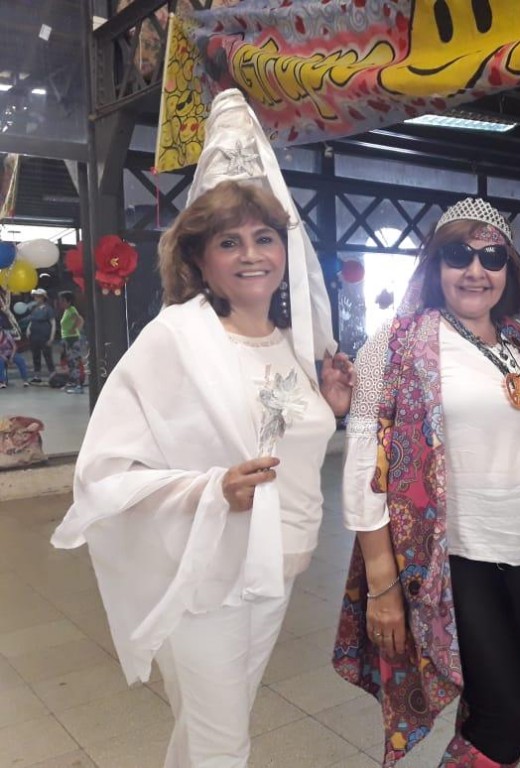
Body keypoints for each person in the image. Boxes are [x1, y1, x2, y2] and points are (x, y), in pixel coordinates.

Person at [51, 90, 353, 767]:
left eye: (264, 237)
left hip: (281, 565)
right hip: (209, 571)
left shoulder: (293, 343)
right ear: (200, 258)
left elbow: (276, 441)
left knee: (212, 726)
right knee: (223, 743)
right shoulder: (177, 339)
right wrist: (212, 489)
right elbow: (103, 472)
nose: (252, 255)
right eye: (229, 241)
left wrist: (328, 409)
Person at [334, 198, 520, 768]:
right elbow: (364, 465)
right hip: (452, 559)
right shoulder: (394, 343)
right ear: (434, 265)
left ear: (509, 270)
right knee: (512, 713)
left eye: (492, 257)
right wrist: (383, 583)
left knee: (488, 707)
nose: (475, 270)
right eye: (458, 254)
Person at [57, 290, 86, 394]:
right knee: (70, 362)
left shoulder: (72, 310)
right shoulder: (67, 311)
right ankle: (73, 383)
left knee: (75, 362)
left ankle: (79, 385)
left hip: (72, 339)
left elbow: (79, 319)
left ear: (69, 301)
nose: (61, 303)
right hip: (67, 339)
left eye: (63, 301)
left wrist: (74, 328)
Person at [25, 288, 56, 382]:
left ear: (43, 298)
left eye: (38, 297)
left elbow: (53, 323)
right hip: (34, 335)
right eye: (35, 297)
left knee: (47, 355)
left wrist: (52, 337)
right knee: (36, 355)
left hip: (44, 335)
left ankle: (53, 374)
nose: (36, 298)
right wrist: (28, 328)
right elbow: (32, 320)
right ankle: (37, 375)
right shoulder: (34, 309)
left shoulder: (48, 309)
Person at [0, 317, 30, 387]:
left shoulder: (7, 335)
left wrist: (11, 357)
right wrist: (3, 357)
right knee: (0, 362)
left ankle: (25, 380)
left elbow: (14, 346)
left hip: (10, 353)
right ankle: (2, 382)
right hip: (1, 355)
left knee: (20, 360)